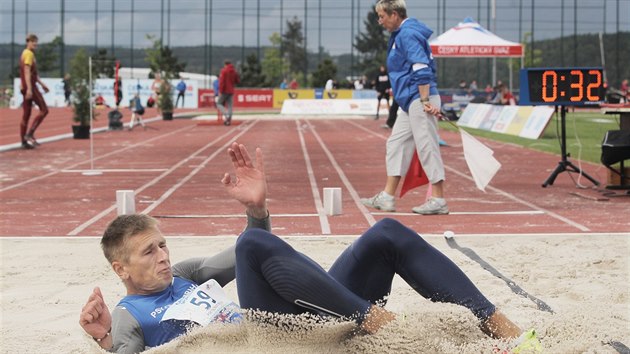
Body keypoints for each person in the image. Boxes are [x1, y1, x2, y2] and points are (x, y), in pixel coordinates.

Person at [79, 142, 523, 353]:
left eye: (162, 246)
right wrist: (103, 339)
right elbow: (125, 351)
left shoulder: (185, 275)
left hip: (312, 323)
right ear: (120, 269)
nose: (163, 258)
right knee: (252, 242)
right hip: (267, 341)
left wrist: (257, 210)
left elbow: (246, 257)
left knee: (385, 232)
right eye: (148, 253)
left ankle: (495, 322)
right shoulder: (128, 315)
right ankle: (368, 316)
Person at [361, 0, 449, 215]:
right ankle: (387, 197)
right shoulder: (400, 34)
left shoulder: (407, 34)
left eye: (382, 16)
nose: (380, 21)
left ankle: (438, 200)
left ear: (394, 14)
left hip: (420, 99)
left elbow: (421, 66)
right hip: (410, 101)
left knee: (427, 146)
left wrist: (425, 100)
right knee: (396, 144)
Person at [19, 33, 49, 149]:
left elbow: (31, 73)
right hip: (30, 87)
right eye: (33, 41)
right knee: (44, 110)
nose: (35, 44)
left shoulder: (24, 53)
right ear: (28, 42)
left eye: (36, 41)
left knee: (26, 114)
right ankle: (30, 133)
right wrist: (30, 89)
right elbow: (26, 72)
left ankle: (23, 142)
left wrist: (42, 84)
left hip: (27, 86)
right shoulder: (29, 54)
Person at [217, 59, 240, 126]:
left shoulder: (224, 71)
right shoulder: (234, 71)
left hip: (224, 90)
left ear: (225, 64)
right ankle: (228, 121)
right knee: (230, 106)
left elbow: (222, 82)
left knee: (219, 103)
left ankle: (226, 114)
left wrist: (220, 91)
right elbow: (237, 81)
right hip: (231, 91)